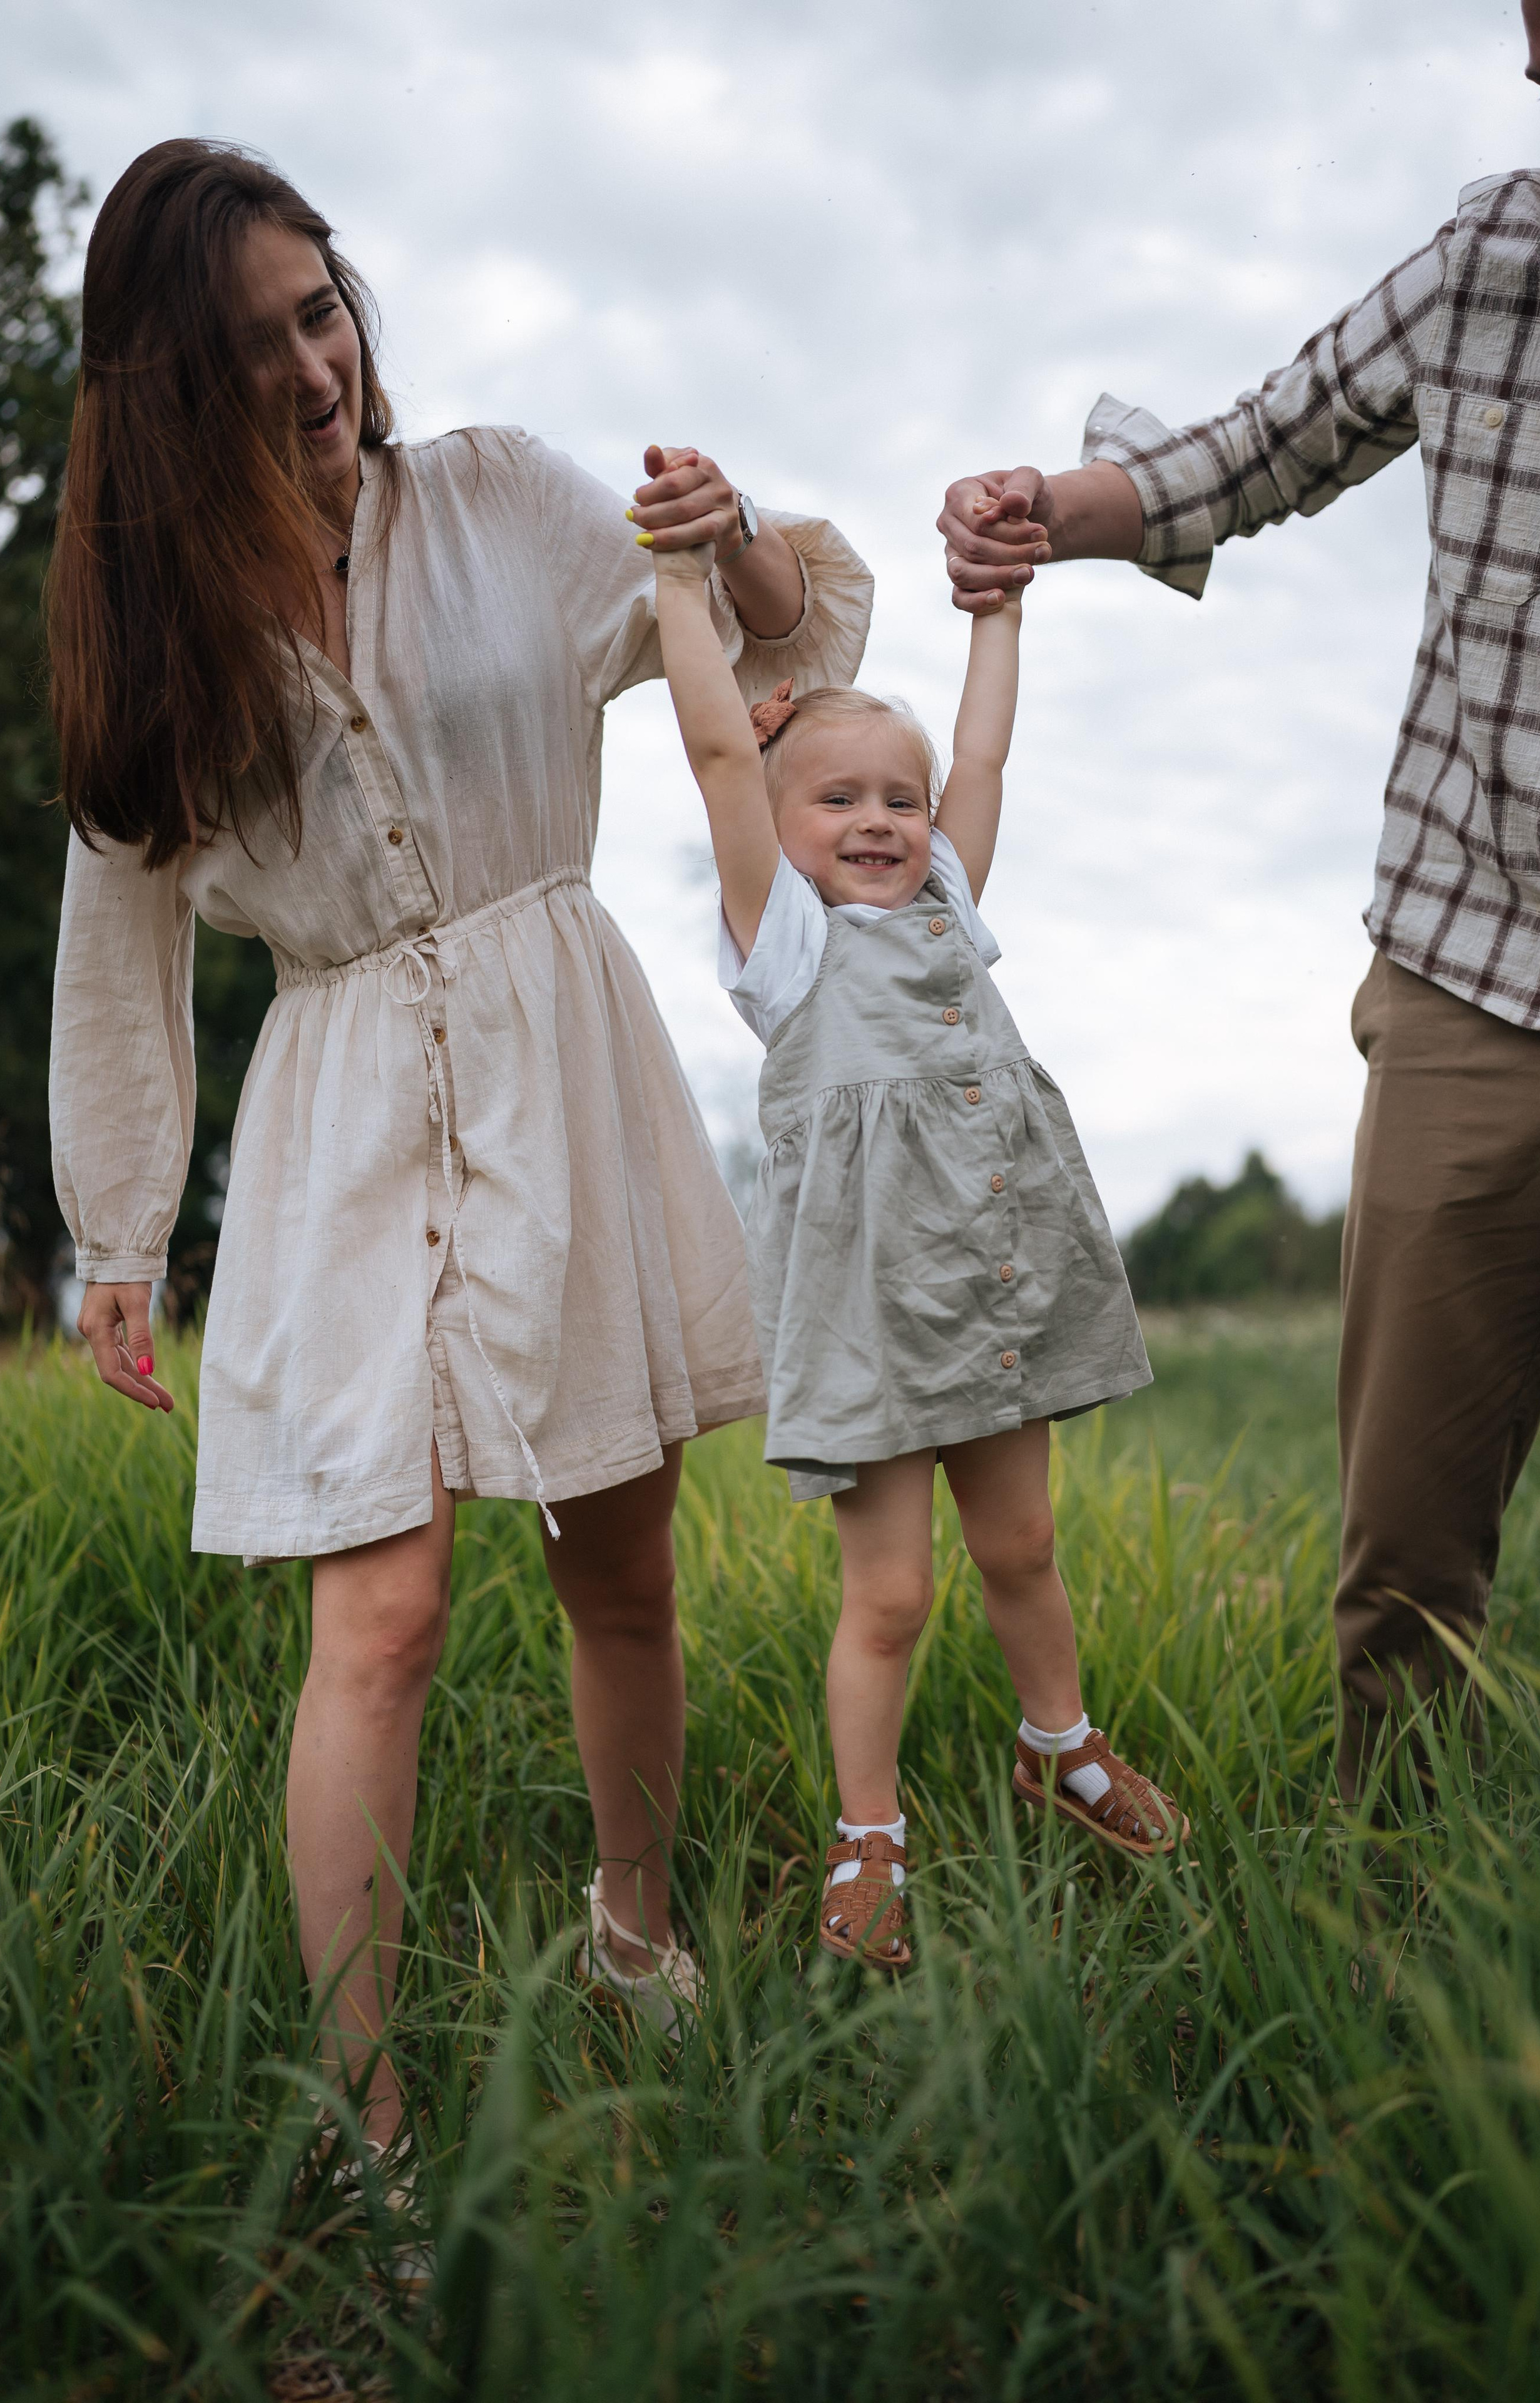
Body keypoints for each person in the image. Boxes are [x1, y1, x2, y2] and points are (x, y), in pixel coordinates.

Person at [46, 140, 873, 2140]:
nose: (315, 370)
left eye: (323, 311)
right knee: (384, 1609)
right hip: (338, 1113)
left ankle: (636, 1931)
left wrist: (732, 526)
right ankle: (369, 2123)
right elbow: (121, 937)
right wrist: (119, 1232)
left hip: (558, 1052)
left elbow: (783, 648)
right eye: (254, 351)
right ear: (170, 395)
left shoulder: (502, 497)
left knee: (620, 1556)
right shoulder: (162, 638)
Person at [936, 0, 1540, 1800]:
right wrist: (1041, 510)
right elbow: (1258, 447)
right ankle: (1402, 1921)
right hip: (1475, 963)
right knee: (1408, 1552)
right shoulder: (1492, 259)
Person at [646, 482, 1185, 1969]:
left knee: (1023, 1545)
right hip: (877, 1315)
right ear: (774, 822)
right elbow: (707, 746)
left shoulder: (947, 898)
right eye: (840, 800)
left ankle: (1059, 1745)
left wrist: (997, 617)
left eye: (898, 797)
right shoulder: (784, 942)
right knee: (887, 1596)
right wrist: (684, 593)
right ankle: (867, 1833)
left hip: (998, 1279)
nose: (881, 821)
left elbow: (986, 754)